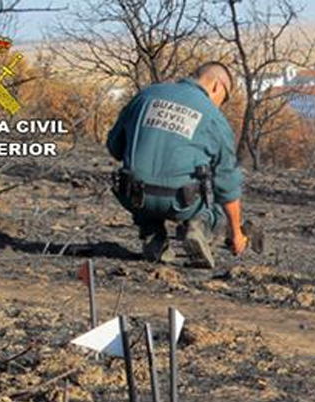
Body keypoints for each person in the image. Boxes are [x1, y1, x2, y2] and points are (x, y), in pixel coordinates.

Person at [106, 61, 248, 268]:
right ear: (217, 86)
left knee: (140, 175)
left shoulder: (145, 96)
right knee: (216, 194)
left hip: (135, 196)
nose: (219, 105)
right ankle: (199, 227)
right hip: (182, 202)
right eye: (223, 99)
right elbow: (228, 184)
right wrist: (236, 233)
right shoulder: (213, 116)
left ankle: (153, 234)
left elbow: (114, 147)